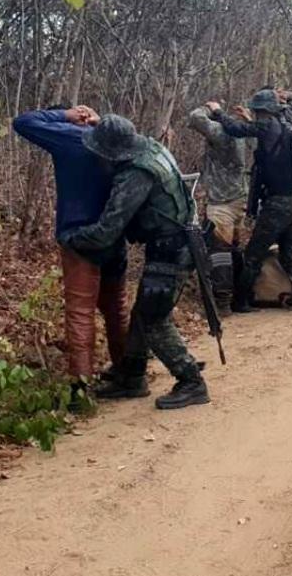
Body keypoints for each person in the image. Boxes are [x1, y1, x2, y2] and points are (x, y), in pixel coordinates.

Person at [57, 115, 209, 410]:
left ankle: (191, 380)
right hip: (176, 242)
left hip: (172, 249)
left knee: (153, 318)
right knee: (142, 313)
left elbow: (107, 230)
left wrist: (72, 238)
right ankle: (132, 376)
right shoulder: (151, 148)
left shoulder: (136, 174)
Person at [12, 105, 130, 397]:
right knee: (116, 308)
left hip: (78, 238)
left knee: (80, 310)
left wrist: (64, 115)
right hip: (113, 237)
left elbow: (23, 122)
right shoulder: (115, 143)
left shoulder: (69, 138)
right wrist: (101, 122)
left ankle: (80, 386)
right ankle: (129, 373)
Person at [208, 89, 292, 315]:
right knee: (290, 254)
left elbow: (234, 129)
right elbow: (267, 131)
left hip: (276, 205)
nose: (256, 115)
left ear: (264, 111)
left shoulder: (267, 126)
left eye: (257, 112)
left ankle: (240, 301)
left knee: (253, 255)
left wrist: (217, 112)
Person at [186, 101, 250, 313]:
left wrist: (210, 108)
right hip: (240, 196)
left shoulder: (222, 134)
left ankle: (222, 302)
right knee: (235, 249)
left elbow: (195, 118)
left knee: (220, 251)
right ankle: (241, 299)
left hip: (222, 201)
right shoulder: (244, 132)